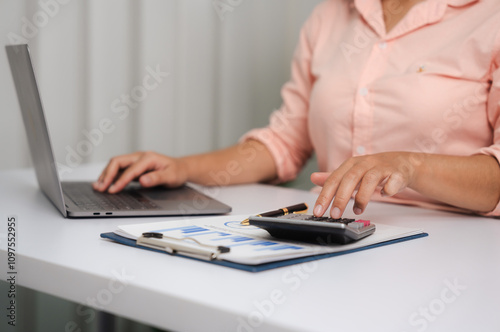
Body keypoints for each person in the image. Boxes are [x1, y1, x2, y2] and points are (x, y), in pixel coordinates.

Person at [94, 0, 500, 218]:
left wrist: (410, 165)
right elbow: (285, 142)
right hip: (330, 229)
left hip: (451, 246)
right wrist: (182, 169)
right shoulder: (330, 15)